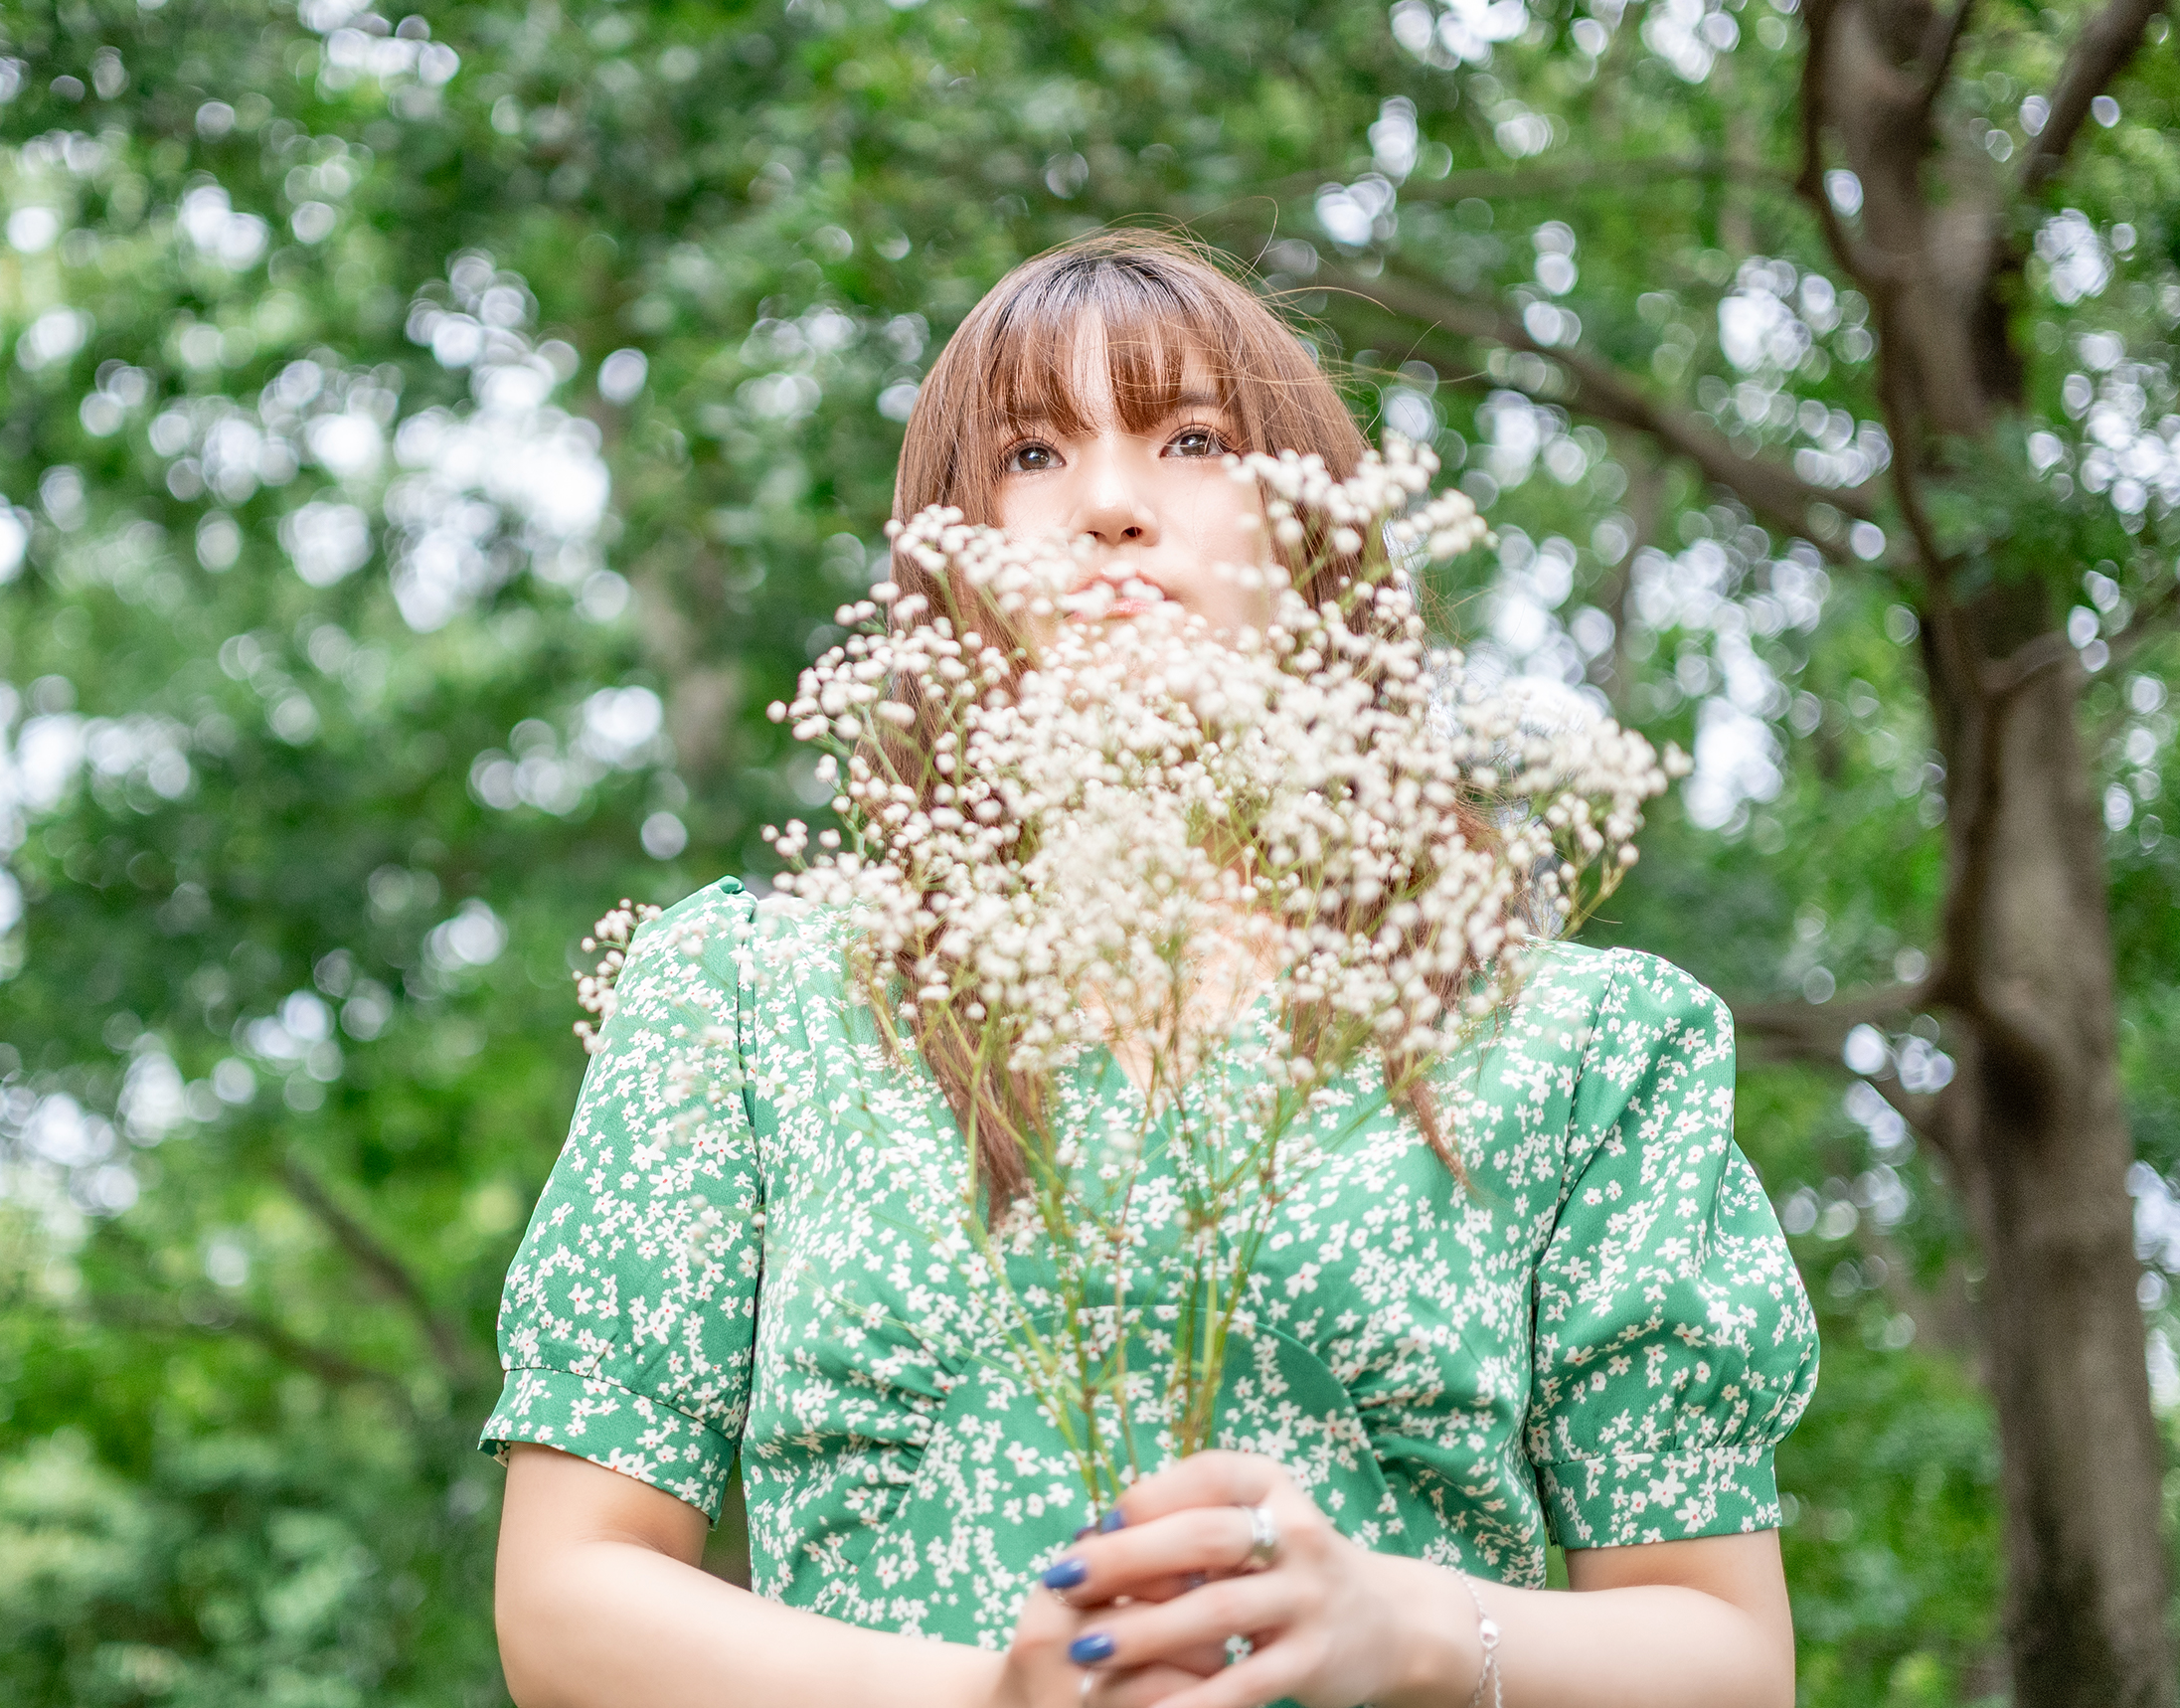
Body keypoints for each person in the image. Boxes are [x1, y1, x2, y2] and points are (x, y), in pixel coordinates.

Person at [483, 232, 1816, 1708]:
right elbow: (566, 1600)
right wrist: (992, 1701)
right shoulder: (753, 999)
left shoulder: (1576, 1042)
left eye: (1190, 439)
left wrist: (1414, 1632)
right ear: (948, 552)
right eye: (1032, 454)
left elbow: (1729, 1656)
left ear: (1311, 529)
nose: (1112, 504)